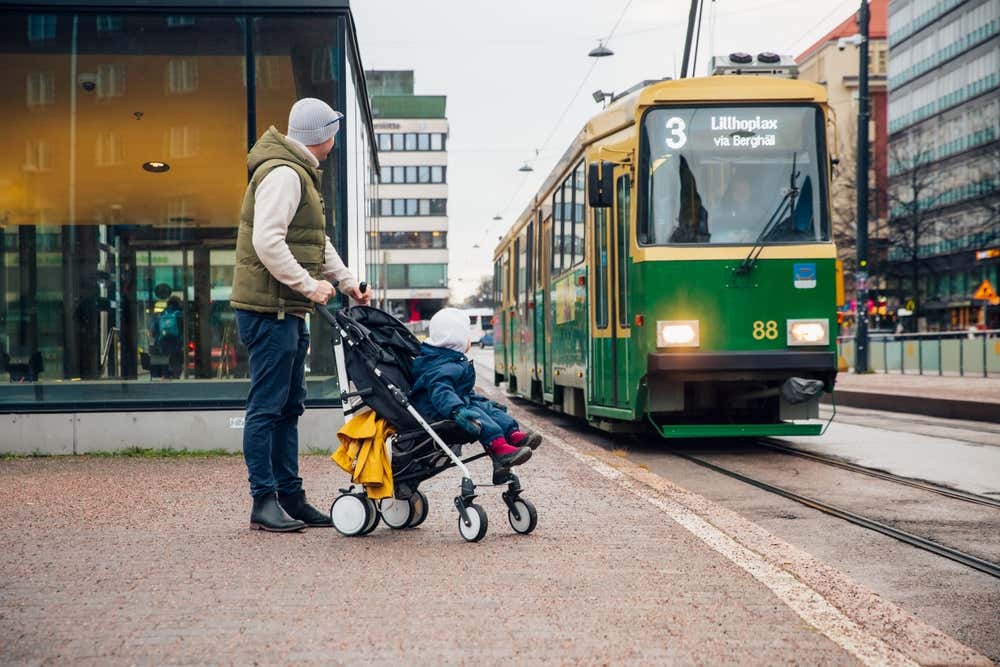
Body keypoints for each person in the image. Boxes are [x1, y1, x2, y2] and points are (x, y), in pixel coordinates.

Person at [231, 97, 371, 533]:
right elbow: (268, 243)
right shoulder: (285, 174)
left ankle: (291, 496)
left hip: (286, 310)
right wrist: (311, 287)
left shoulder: (300, 173)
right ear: (321, 136)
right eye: (333, 131)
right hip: (268, 310)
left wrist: (347, 281)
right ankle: (264, 501)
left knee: (289, 407)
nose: (335, 139)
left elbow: (315, 242)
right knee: (267, 408)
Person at [409, 308, 541, 476]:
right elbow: (441, 393)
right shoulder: (440, 366)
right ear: (455, 339)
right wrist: (457, 410)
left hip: (452, 405)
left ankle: (512, 435)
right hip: (438, 411)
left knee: (488, 409)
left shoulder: (447, 360)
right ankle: (499, 448)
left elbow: (465, 393)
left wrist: (487, 403)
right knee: (478, 413)